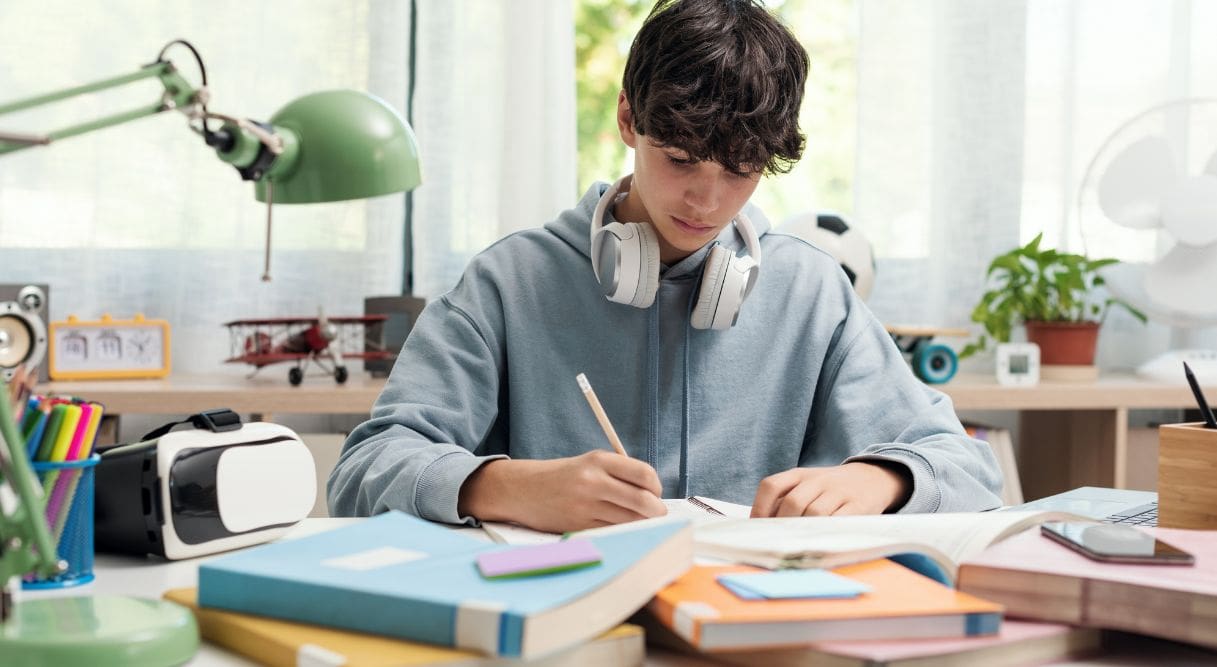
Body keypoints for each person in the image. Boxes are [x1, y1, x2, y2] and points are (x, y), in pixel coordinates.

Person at [329, 0, 1002, 532]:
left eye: (740, 171)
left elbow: (965, 467)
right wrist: (507, 486)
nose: (707, 200)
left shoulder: (810, 290)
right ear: (627, 117)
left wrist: (879, 479)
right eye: (680, 159)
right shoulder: (510, 282)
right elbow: (363, 469)